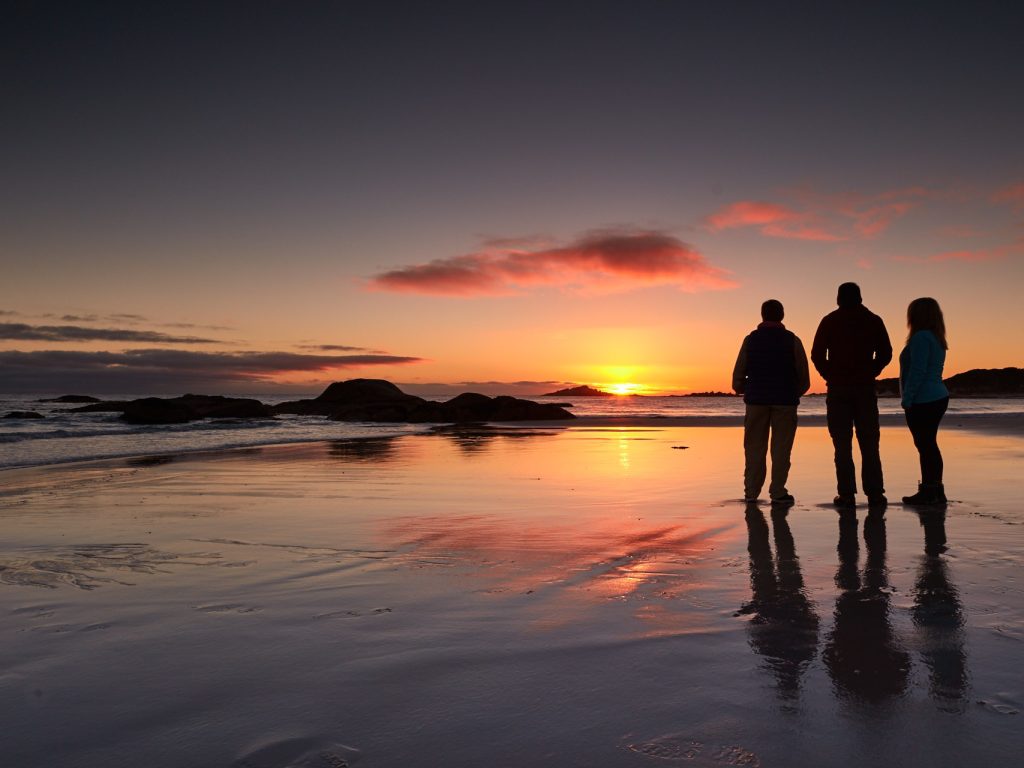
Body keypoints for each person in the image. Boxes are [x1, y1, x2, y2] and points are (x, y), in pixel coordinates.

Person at [811, 282, 892, 508]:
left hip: (839, 389)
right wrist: (872, 370)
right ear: (860, 297)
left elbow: (817, 355)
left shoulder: (829, 321)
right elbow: (886, 353)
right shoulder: (873, 320)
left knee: (842, 444)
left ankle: (846, 494)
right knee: (869, 443)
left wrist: (830, 374)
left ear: (839, 298)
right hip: (864, 388)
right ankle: (875, 493)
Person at [732, 299, 811, 505]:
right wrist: (794, 393)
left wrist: (743, 388)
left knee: (754, 448)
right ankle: (777, 491)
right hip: (785, 401)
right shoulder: (793, 340)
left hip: (757, 401)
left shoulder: (751, 340)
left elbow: (739, 373)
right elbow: (804, 377)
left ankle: (751, 492)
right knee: (781, 449)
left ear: (762, 315)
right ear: (782, 315)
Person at [900, 297, 950, 504]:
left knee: (925, 445)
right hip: (937, 396)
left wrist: (907, 398)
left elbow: (918, 371)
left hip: (924, 399)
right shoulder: (936, 338)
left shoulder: (921, 338)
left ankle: (930, 491)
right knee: (929, 444)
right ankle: (935, 490)